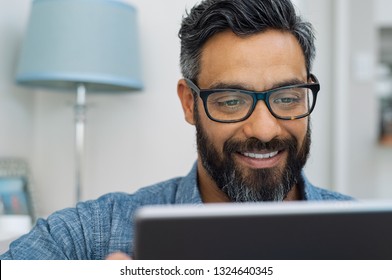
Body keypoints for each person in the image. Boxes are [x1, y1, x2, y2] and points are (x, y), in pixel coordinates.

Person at [0, 0, 352, 260]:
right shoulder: (87, 238)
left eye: (288, 97)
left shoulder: (370, 244)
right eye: (231, 100)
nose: (263, 128)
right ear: (189, 103)